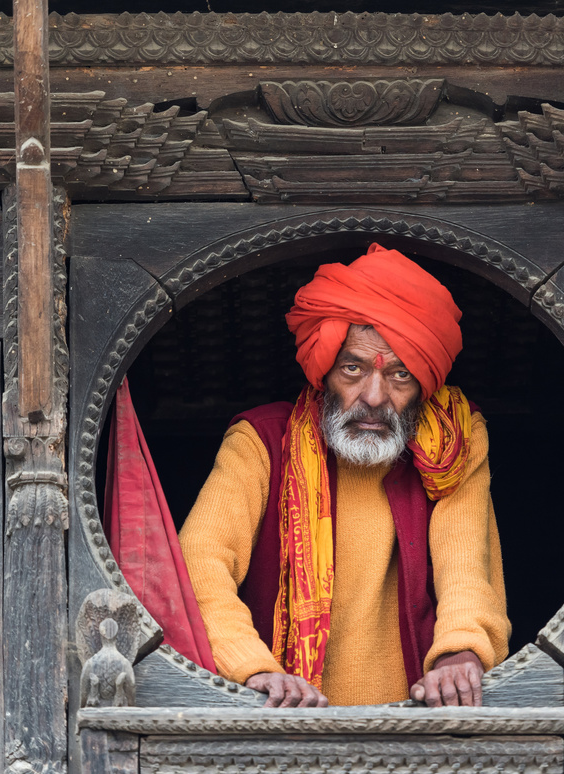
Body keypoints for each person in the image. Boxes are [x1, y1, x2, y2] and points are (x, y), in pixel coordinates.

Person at [179, 243, 510, 708]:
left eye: (400, 375)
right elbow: (199, 565)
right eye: (353, 368)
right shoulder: (259, 441)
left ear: (423, 383)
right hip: (280, 722)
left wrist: (460, 652)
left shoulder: (453, 440)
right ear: (324, 370)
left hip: (419, 727)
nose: (373, 397)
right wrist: (253, 669)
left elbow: (466, 562)